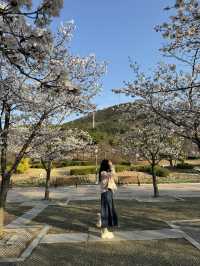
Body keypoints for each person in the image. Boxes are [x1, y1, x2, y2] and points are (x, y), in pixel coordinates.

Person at [98, 159, 118, 239]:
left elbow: (115, 177)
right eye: (109, 163)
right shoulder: (103, 173)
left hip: (108, 192)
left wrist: (112, 167)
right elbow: (112, 175)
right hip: (105, 193)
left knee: (109, 210)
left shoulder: (107, 172)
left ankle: (105, 230)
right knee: (105, 211)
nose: (111, 164)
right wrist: (112, 166)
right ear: (106, 165)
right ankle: (104, 231)